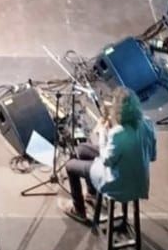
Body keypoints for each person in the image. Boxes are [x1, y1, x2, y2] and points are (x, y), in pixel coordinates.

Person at [62, 87, 157, 223]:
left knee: (70, 166)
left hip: (118, 183)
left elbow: (106, 161)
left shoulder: (117, 133)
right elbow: (152, 156)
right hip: (140, 181)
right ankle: (92, 194)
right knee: (82, 149)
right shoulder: (148, 123)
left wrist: (103, 133)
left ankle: (79, 210)